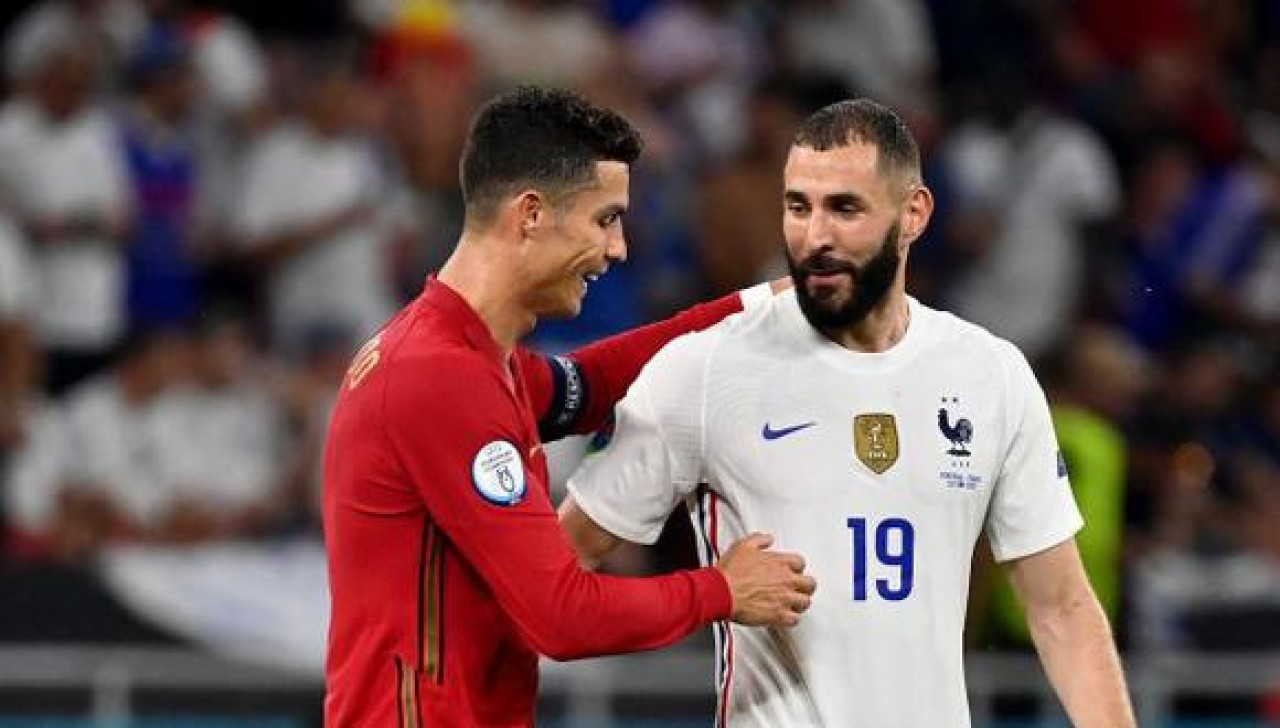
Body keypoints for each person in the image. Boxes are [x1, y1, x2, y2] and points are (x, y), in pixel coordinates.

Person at [560, 98, 1135, 727]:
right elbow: (560, 574)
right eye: (798, 207)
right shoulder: (705, 370)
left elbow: (1061, 609)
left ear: (913, 214)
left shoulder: (990, 374)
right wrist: (707, 593)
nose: (815, 238)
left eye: (845, 209)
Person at [322, 86, 816, 726]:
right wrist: (722, 589)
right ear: (531, 214)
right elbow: (560, 616)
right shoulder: (439, 377)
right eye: (605, 219)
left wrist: (758, 310)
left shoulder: (474, 358)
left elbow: (591, 381)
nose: (619, 249)